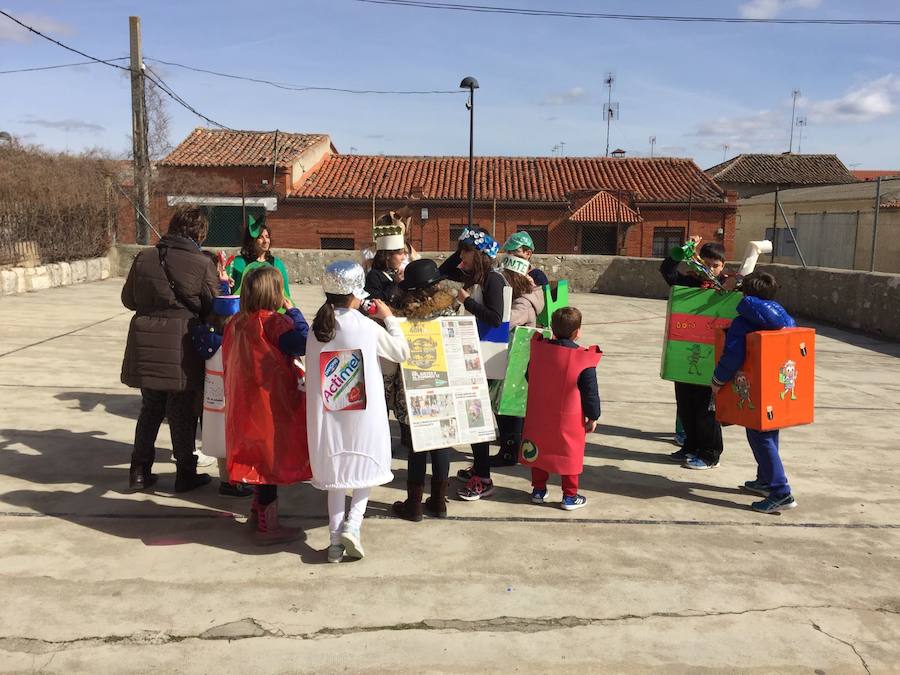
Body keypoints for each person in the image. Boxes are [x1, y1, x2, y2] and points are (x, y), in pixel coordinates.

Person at [306, 261, 410, 562]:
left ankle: (335, 540)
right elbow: (401, 351)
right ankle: (353, 525)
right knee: (365, 468)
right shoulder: (365, 326)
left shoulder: (317, 329)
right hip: (364, 410)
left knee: (336, 475)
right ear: (355, 294)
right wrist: (389, 318)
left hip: (329, 411)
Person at [121, 208, 224, 493]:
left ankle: (139, 471)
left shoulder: (144, 257)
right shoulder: (202, 263)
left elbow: (128, 299)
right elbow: (212, 307)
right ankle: (185, 473)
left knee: (151, 408)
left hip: (145, 343)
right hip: (181, 345)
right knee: (181, 412)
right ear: (199, 232)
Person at [222, 266, 311, 544]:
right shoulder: (275, 324)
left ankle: (257, 513)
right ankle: (267, 526)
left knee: (258, 459)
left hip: (245, 402)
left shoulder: (237, 321)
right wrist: (294, 311)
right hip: (271, 403)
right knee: (271, 462)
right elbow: (304, 341)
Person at [711, 272, 798, 514]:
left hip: (755, 389)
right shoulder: (786, 319)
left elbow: (733, 355)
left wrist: (717, 380)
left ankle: (781, 491)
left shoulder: (743, 322)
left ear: (746, 295)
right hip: (775, 388)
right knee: (769, 434)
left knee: (760, 437)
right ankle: (764, 480)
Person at [439, 227, 509, 501]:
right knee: (472, 416)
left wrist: (466, 302)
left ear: (479, 255)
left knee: (476, 416)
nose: (461, 257)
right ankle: (479, 468)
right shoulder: (474, 276)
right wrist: (460, 252)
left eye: (466, 251)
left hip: (486, 358)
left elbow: (495, 317)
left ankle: (484, 477)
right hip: (472, 356)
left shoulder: (494, 280)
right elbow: (442, 273)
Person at [386, 258, 459, 521]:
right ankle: (439, 502)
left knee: (416, 449)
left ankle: (414, 505)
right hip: (444, 386)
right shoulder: (451, 311)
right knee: (442, 444)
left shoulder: (402, 318)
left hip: (413, 389)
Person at [659, 235, 728, 470]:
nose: (710, 269)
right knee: (686, 404)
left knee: (705, 409)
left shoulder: (727, 288)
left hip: (712, 359)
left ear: (723, 267)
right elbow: (666, 269)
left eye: (715, 265)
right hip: (686, 355)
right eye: (705, 264)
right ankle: (690, 446)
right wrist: (685, 249)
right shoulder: (687, 283)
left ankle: (710, 453)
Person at [521, 307, 601, 510]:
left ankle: (538, 490)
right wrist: (593, 417)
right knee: (570, 453)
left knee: (538, 448)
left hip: (540, 412)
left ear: (553, 329)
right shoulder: (583, 359)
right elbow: (590, 393)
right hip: (569, 417)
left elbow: (529, 376)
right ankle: (569, 496)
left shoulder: (540, 350)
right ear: (578, 331)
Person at [491, 253, 546, 467]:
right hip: (514, 360)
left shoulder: (523, 303)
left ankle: (509, 450)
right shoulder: (525, 298)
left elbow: (505, 322)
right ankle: (509, 444)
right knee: (507, 406)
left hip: (516, 363)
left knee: (509, 407)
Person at [226, 216, 292, 299]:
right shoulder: (237, 263)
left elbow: (285, 294)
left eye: (267, 237)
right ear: (251, 241)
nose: (265, 241)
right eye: (261, 237)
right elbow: (225, 290)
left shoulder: (277, 264)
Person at [364, 212, 409, 303]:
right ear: (388, 255)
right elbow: (376, 301)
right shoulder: (374, 276)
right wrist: (395, 284)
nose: (403, 258)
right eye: (400, 254)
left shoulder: (400, 274)